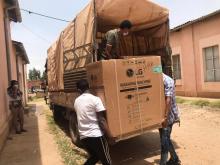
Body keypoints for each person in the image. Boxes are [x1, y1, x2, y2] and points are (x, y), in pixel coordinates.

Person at [74, 79, 114, 165]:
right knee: (106, 161)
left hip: (84, 137)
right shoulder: (95, 99)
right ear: (89, 87)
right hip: (96, 136)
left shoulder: (76, 101)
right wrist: (110, 136)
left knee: (95, 157)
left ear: (79, 90)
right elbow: (101, 120)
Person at [159, 73, 181, 165]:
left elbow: (168, 99)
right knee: (165, 138)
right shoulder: (156, 81)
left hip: (168, 116)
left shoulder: (168, 81)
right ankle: (175, 158)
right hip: (161, 116)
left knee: (164, 140)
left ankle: (163, 163)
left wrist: (165, 117)